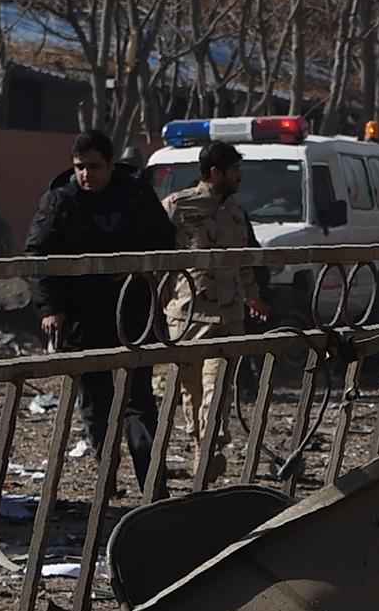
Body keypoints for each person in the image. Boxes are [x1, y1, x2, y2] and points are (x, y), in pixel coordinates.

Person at [27, 132, 175, 488]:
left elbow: (164, 240)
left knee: (138, 402)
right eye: (79, 167)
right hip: (82, 317)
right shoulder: (60, 202)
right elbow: (37, 256)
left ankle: (153, 486)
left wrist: (153, 274)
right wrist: (52, 308)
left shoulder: (136, 195)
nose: (86, 174)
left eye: (94, 166)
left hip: (132, 311)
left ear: (110, 164)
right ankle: (106, 479)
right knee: (96, 407)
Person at [162, 138, 271, 484]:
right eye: (234, 169)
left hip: (228, 316)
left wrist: (253, 296)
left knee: (218, 386)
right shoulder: (177, 207)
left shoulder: (237, 212)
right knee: (190, 390)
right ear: (215, 172)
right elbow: (158, 255)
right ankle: (201, 448)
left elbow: (244, 263)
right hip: (188, 315)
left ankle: (208, 453)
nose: (240, 176)